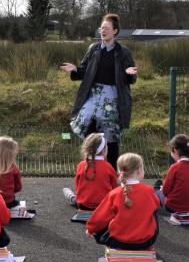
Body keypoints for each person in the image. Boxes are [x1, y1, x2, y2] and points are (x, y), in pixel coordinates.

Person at [59, 13, 138, 170]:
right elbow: (84, 71)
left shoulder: (123, 52)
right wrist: (75, 69)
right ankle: (89, 168)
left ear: (115, 31)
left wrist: (130, 73)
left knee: (111, 138)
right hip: (93, 96)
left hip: (112, 98)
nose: (103, 31)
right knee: (89, 131)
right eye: (102, 28)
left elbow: (130, 78)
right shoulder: (93, 49)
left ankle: (111, 172)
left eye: (107, 28)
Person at [85, 153, 159, 250]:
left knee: (106, 219)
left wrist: (90, 229)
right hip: (145, 242)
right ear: (139, 170)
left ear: (120, 172)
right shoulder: (149, 191)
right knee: (153, 211)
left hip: (118, 241)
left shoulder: (114, 193)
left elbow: (99, 217)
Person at [63, 132, 117, 210]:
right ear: (103, 150)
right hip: (104, 207)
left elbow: (78, 187)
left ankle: (71, 197)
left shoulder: (81, 165)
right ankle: (71, 197)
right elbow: (115, 188)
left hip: (83, 205)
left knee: (75, 199)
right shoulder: (108, 167)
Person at [154, 134, 189, 213]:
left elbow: (165, 191)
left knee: (156, 191)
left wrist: (162, 189)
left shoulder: (174, 167)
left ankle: (155, 191)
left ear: (175, 150)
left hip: (172, 207)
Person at [0, 136, 23, 209]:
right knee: (18, 203)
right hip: (8, 202)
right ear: (12, 154)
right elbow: (18, 187)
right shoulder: (13, 169)